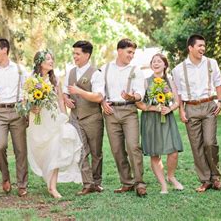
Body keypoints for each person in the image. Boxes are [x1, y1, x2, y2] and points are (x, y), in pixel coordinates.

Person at [27, 50, 83, 198]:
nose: (51, 61)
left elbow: (59, 100)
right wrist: (32, 107)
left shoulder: (56, 80)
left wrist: (64, 116)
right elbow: (25, 101)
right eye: (47, 59)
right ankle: (48, 179)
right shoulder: (31, 79)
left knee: (56, 149)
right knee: (43, 152)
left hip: (53, 118)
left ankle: (53, 187)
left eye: (52, 59)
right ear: (39, 62)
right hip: (38, 119)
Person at [172, 34, 221, 192]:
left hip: (208, 105)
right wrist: (181, 110)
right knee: (197, 146)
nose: (203, 48)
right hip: (190, 108)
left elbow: (218, 82)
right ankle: (205, 179)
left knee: (210, 142)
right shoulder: (178, 69)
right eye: (199, 45)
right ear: (190, 48)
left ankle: (216, 176)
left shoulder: (211, 63)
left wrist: (220, 101)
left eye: (204, 45)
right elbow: (178, 93)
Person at [0, 38, 29, 197]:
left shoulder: (20, 70)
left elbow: (26, 91)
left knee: (20, 150)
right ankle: (5, 176)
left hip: (17, 112)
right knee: (0, 146)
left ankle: (22, 184)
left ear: (5, 50)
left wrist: (24, 108)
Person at [101, 38, 147, 197]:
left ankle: (140, 183)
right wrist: (102, 102)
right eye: (129, 52)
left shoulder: (136, 69)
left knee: (133, 146)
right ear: (119, 51)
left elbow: (141, 91)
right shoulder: (105, 69)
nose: (131, 55)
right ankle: (127, 182)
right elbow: (99, 90)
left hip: (129, 111)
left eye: (133, 53)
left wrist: (132, 96)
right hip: (111, 112)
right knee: (117, 150)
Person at [137, 53, 184, 194]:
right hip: (150, 120)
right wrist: (154, 108)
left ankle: (171, 177)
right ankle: (163, 184)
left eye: (159, 61)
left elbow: (177, 101)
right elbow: (139, 103)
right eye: (153, 61)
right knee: (155, 153)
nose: (156, 63)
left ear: (165, 64)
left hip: (167, 118)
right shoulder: (145, 81)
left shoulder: (170, 81)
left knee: (173, 151)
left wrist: (168, 108)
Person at [63, 40, 105, 195]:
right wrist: (66, 99)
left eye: (77, 54)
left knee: (96, 152)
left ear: (87, 55)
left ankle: (96, 182)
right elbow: (64, 92)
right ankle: (87, 183)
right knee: (81, 151)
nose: (75, 56)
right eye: (74, 53)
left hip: (92, 118)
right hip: (75, 118)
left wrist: (79, 91)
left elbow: (98, 97)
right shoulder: (70, 73)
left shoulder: (96, 74)